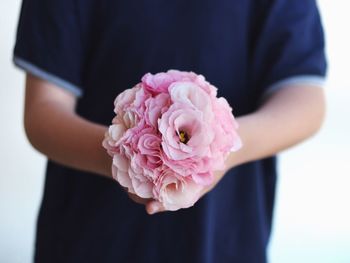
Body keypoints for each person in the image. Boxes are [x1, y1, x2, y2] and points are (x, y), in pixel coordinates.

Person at [13, 0, 327, 262]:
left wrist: (222, 149)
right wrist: (127, 160)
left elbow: (305, 100)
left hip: (224, 242)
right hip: (87, 240)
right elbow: (43, 110)